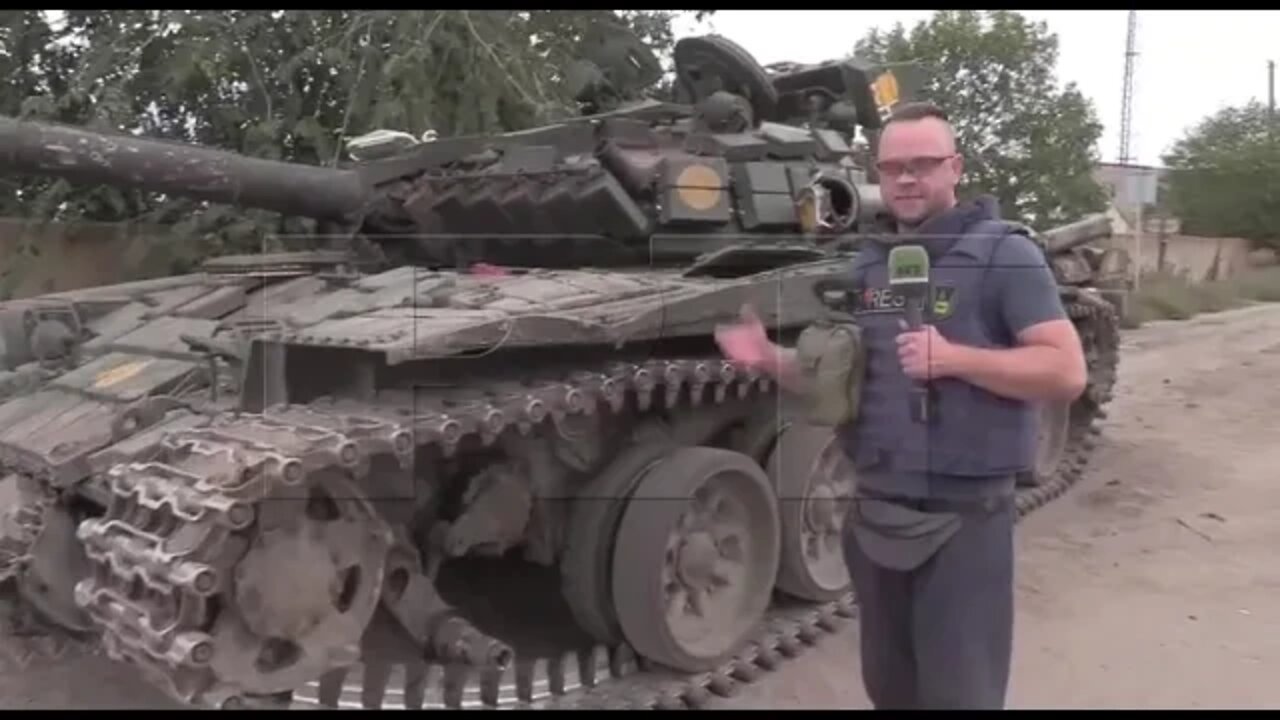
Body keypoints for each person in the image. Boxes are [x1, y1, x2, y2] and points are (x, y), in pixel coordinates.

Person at [714, 101, 1087, 709]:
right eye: (892, 168)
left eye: (922, 164)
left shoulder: (1005, 255)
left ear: (955, 168)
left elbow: (1065, 370)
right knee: (892, 690)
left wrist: (957, 359)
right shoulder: (872, 264)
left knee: (960, 694)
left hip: (964, 520)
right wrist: (769, 360)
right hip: (878, 513)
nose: (906, 179)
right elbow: (855, 382)